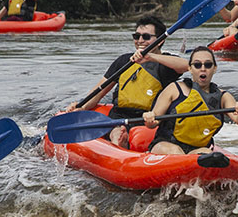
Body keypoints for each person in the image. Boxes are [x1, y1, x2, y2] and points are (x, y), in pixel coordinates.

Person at [68, 15, 189, 149]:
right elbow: (99, 92)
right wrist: (81, 107)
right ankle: (119, 146)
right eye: (136, 36)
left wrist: (151, 57)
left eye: (146, 37)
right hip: (120, 116)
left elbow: (187, 65)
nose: (140, 40)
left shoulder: (165, 63)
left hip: (148, 119)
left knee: (141, 136)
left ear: (160, 41)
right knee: (117, 132)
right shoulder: (124, 61)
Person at [142, 46, 238, 155]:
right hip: (166, 145)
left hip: (197, 149)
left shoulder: (223, 97)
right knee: (175, 152)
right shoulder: (174, 89)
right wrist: (150, 119)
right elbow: (153, 123)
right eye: (197, 65)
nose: (203, 69)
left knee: (207, 153)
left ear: (214, 68)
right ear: (190, 68)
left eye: (208, 65)